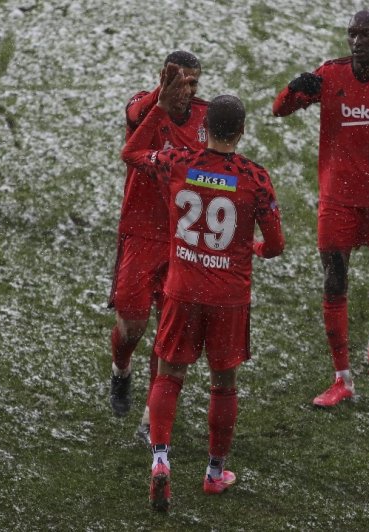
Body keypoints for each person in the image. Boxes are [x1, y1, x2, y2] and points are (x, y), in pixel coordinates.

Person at [121, 66, 285, 512]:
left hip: (183, 287)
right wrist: (252, 246)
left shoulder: (178, 162)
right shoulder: (255, 178)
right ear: (242, 131)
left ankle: (160, 461)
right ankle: (215, 472)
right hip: (229, 297)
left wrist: (157, 112)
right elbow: (276, 245)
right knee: (223, 383)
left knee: (170, 374)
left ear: (205, 126)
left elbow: (132, 152)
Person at [272, 9, 369, 407]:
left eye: (366, 33)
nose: (358, 40)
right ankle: (341, 378)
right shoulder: (329, 74)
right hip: (337, 197)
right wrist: (294, 88)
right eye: (352, 33)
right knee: (334, 278)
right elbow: (279, 110)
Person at [108, 51, 208, 445]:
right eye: (179, 81)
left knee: (168, 335)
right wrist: (160, 100)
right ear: (163, 80)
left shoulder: (206, 118)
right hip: (140, 234)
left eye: (193, 84)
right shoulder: (142, 104)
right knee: (132, 324)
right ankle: (121, 369)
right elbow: (135, 124)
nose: (186, 91)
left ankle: (152, 419)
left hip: (183, 241)